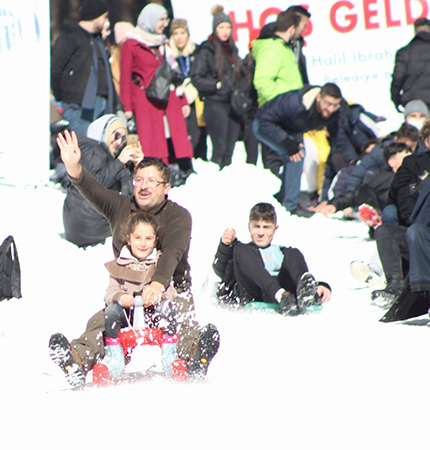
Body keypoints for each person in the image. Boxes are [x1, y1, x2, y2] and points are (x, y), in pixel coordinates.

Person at [48, 129, 219, 386]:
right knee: (101, 322)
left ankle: (195, 356)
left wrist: (158, 284)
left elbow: (172, 251)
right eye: (139, 180)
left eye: (152, 181)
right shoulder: (120, 206)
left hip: (170, 289)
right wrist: (74, 168)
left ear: (166, 187)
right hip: (127, 287)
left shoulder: (178, 216)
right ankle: (76, 360)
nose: (144, 186)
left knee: (180, 323)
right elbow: (92, 190)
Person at [212, 202, 332, 316]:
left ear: (275, 228)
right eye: (256, 226)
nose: (260, 232)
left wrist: (319, 286)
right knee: (240, 249)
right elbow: (220, 270)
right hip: (253, 293)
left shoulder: (282, 253)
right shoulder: (243, 251)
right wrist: (225, 246)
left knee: (293, 253)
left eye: (266, 227)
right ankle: (279, 294)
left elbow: (295, 268)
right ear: (249, 227)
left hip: (286, 296)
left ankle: (306, 292)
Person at [254, 83, 345, 217]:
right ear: (319, 97)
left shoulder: (333, 112)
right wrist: (286, 141)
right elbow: (264, 119)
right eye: (328, 104)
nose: (331, 109)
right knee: (297, 155)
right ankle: (291, 205)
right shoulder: (295, 103)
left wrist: (349, 157)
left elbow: (338, 136)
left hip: (289, 130)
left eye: (335, 105)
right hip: (264, 125)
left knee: (295, 154)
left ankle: (282, 196)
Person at [120, 3, 192, 165]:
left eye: (166, 19)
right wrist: (127, 108)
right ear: (150, 20)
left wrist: (183, 100)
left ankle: (176, 169)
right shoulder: (132, 43)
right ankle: (154, 171)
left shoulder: (164, 44)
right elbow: (125, 78)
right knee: (151, 142)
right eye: (161, 20)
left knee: (174, 137)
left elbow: (176, 75)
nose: (165, 24)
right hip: (144, 101)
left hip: (168, 100)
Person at [370, 120, 430, 306]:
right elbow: (402, 197)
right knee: (386, 230)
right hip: (419, 230)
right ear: (427, 142)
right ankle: (395, 284)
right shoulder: (413, 164)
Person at [62, 114, 142, 248]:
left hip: (75, 228)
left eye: (123, 138)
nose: (118, 142)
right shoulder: (94, 152)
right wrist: (120, 161)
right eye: (116, 135)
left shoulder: (95, 153)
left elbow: (128, 191)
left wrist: (138, 166)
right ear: (104, 133)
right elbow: (93, 187)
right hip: (91, 229)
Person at [191, 6, 248, 169]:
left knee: (229, 151)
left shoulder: (232, 49)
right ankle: (214, 184)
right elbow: (196, 77)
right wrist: (216, 85)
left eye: (228, 27)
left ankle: (225, 184)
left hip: (232, 105)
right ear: (215, 29)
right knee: (219, 150)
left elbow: (240, 75)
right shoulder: (206, 50)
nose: (225, 31)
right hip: (215, 104)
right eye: (221, 27)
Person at [51, 0, 115, 137]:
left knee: (100, 149)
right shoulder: (69, 38)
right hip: (78, 105)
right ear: (95, 16)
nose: (106, 21)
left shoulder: (98, 40)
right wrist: (64, 97)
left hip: (102, 104)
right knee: (84, 147)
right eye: (105, 17)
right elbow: (56, 70)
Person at [312, 142, 412, 218]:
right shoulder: (381, 180)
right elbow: (355, 195)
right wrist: (335, 205)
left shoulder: (418, 177)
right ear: (392, 162)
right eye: (405, 158)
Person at [166, 18, 206, 162]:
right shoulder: (169, 56)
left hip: (197, 100)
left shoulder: (196, 52)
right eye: (175, 33)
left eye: (182, 32)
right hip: (178, 101)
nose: (179, 37)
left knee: (199, 136)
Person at [250, 10, 303, 107]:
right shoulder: (273, 48)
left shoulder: (281, 47)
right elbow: (262, 81)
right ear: (292, 29)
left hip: (286, 111)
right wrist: (285, 101)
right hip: (278, 112)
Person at [390, 18, 430, 112]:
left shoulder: (404, 52)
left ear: (415, 33)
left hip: (413, 103)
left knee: (416, 126)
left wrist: (396, 100)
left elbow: (398, 77)